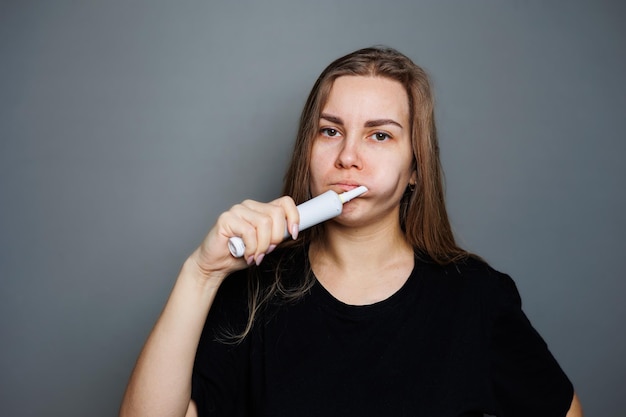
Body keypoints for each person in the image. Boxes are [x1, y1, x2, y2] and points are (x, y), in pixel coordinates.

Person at [119, 46, 583, 417]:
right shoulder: (251, 295)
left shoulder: (477, 298)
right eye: (330, 131)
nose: (347, 157)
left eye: (379, 135)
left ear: (416, 166)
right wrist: (200, 274)